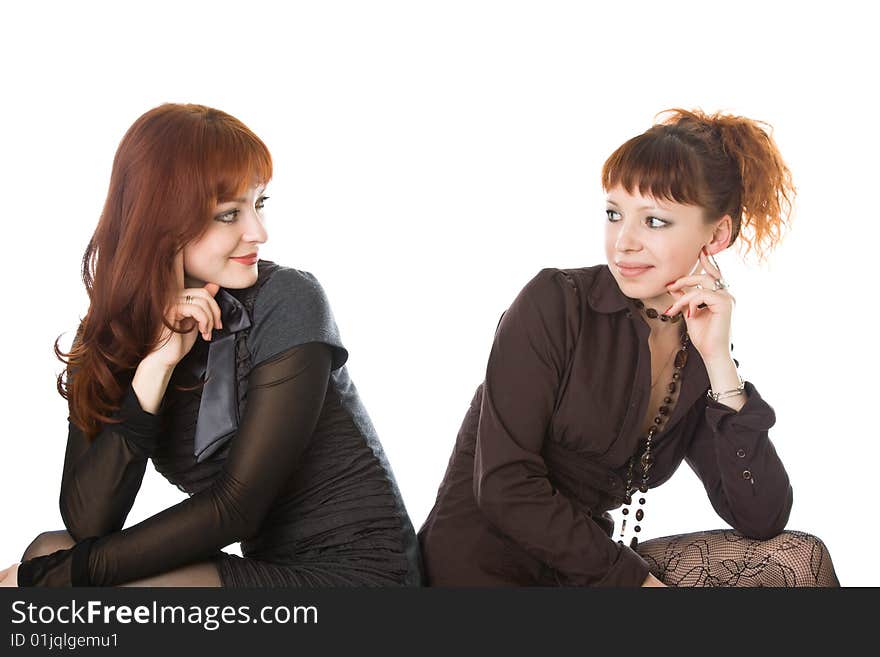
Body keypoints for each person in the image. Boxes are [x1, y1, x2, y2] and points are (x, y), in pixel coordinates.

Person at [0, 103, 423, 587]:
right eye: (229, 214)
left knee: (54, 577)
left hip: (360, 579)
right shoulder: (113, 339)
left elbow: (238, 506)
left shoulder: (288, 300)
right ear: (159, 222)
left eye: (258, 204)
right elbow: (89, 523)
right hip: (266, 572)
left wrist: (48, 580)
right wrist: (154, 369)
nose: (258, 233)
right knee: (53, 548)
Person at [417, 108, 840, 587]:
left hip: (581, 572)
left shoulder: (697, 351)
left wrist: (720, 364)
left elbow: (762, 517)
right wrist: (636, 584)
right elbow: (503, 486)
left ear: (716, 235)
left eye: (655, 221)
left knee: (796, 560)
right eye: (614, 214)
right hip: (479, 573)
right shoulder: (556, 303)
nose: (623, 242)